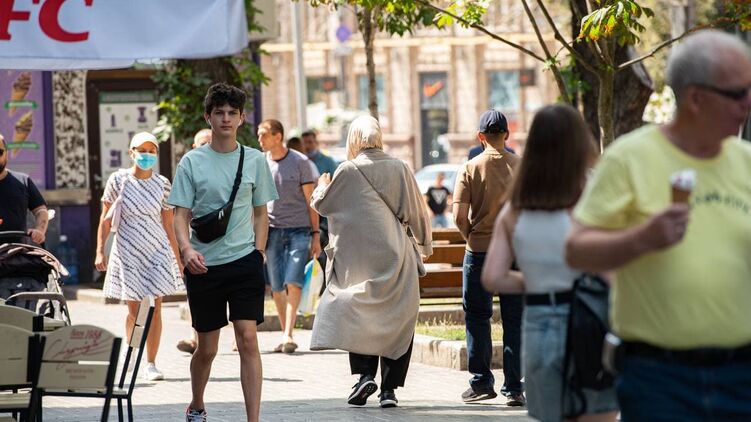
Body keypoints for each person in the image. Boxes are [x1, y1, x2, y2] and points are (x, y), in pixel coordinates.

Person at [566, 30, 751, 421]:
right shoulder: (630, 158)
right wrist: (641, 239)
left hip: (742, 376)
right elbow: (576, 249)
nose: (747, 102)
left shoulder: (746, 161)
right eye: (738, 93)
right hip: (658, 378)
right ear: (696, 99)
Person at [482, 104, 618, 421]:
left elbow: (493, 277)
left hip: (539, 322)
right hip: (589, 320)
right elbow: (610, 271)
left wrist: (536, 280)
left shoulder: (515, 209)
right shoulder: (592, 199)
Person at [169, 83, 278, 422]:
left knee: (248, 339)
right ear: (209, 117)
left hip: (245, 262)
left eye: (233, 113)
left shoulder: (255, 159)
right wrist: (186, 249)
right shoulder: (192, 162)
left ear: (242, 118)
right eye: (219, 113)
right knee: (207, 348)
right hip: (203, 266)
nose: (226, 118)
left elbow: (261, 212)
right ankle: (197, 403)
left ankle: (253, 419)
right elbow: (180, 215)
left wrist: (258, 253)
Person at [309, 115, 432, 408]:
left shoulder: (347, 170)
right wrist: (425, 245)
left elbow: (324, 206)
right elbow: (417, 211)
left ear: (353, 138)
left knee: (359, 313)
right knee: (398, 319)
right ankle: (389, 390)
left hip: (358, 261)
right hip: (396, 256)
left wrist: (321, 186)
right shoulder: (400, 168)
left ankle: (365, 376)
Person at [94, 131, 183, 382]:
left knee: (155, 309)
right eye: (141, 151)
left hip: (157, 251)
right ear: (131, 153)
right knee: (134, 311)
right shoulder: (118, 180)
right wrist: (100, 250)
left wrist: (177, 259)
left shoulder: (163, 183)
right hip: (127, 252)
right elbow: (105, 219)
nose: (146, 155)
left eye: (151, 151)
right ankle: (132, 353)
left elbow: (168, 225)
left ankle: (151, 363)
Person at [453, 109, 524, 406]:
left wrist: (471, 236)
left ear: (480, 136)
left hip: (480, 251)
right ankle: (514, 388)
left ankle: (482, 382)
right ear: (507, 134)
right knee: (515, 320)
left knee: (477, 317)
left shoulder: (470, 168)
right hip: (514, 253)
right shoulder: (522, 167)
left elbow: (459, 216)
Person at [258, 119, 320, 354]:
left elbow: (311, 201)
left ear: (278, 136)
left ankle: (288, 333)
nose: (260, 139)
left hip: (299, 230)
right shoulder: (261, 163)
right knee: (276, 285)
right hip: (272, 231)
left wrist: (316, 235)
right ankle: (285, 334)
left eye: (264, 135)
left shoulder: (300, 162)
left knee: (293, 281)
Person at [177, 128, 213, 355]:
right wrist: (184, 248)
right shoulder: (188, 170)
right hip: (197, 244)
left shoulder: (230, 166)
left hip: (230, 246)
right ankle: (194, 337)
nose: (206, 147)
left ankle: (237, 339)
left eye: (210, 142)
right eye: (202, 143)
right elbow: (180, 214)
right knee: (198, 294)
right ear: (193, 147)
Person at [0, 134, 48, 245]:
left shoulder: (23, 180)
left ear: (6, 154)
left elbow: (41, 210)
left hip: (17, 252)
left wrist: (39, 230)